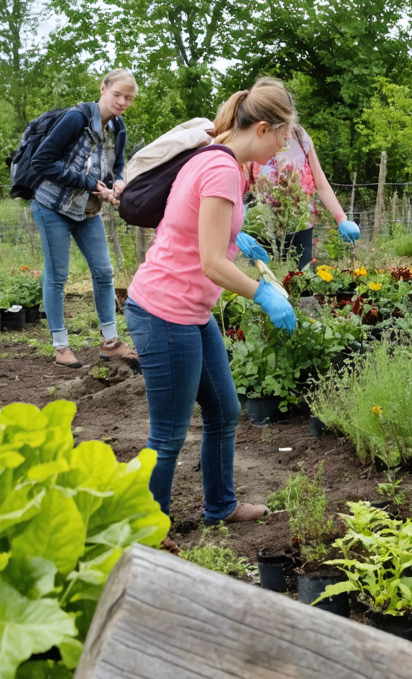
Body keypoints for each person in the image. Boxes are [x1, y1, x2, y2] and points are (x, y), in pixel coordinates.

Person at [124, 79, 299, 525]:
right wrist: (264, 294)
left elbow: (196, 218)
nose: (282, 146)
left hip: (189, 310)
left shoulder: (218, 157)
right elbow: (210, 263)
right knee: (167, 436)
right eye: (282, 136)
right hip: (164, 310)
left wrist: (238, 235)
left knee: (224, 409)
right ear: (262, 128)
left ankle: (220, 506)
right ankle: (146, 532)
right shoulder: (222, 168)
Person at [29, 69, 140, 368]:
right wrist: (89, 183)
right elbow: (42, 161)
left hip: (88, 210)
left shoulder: (118, 127)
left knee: (103, 272)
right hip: (52, 206)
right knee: (58, 275)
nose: (122, 102)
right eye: (117, 94)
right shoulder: (76, 119)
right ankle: (61, 346)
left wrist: (118, 181)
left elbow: (118, 164)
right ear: (103, 88)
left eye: (128, 98)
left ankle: (110, 343)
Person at [245, 79, 359, 270]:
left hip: (300, 224)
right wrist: (240, 226)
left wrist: (341, 219)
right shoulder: (252, 139)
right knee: (266, 283)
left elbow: (320, 182)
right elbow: (242, 186)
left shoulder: (299, 136)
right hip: (263, 228)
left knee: (299, 282)